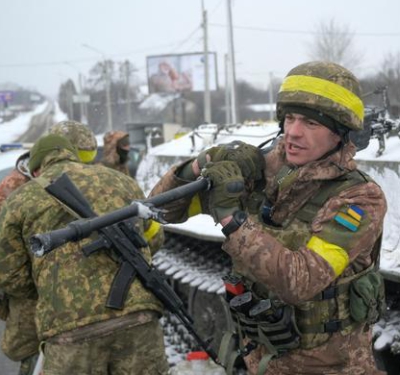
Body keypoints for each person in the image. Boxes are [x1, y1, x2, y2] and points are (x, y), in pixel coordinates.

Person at [149, 61, 387, 374]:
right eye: (289, 118)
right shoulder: (263, 173)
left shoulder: (359, 198)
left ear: (339, 134)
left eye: (311, 124)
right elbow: (162, 209)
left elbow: (299, 282)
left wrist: (232, 220)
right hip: (259, 361)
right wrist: (202, 164)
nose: (293, 132)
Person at [0, 134, 168, 375]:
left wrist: (51, 285)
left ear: (38, 168)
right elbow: (153, 239)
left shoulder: (20, 199)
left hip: (69, 328)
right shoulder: (123, 181)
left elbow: (6, 274)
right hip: (138, 317)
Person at [0, 120, 99, 375]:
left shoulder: (84, 178)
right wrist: (33, 280)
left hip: (73, 287)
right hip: (31, 287)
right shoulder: (15, 185)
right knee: (31, 350)